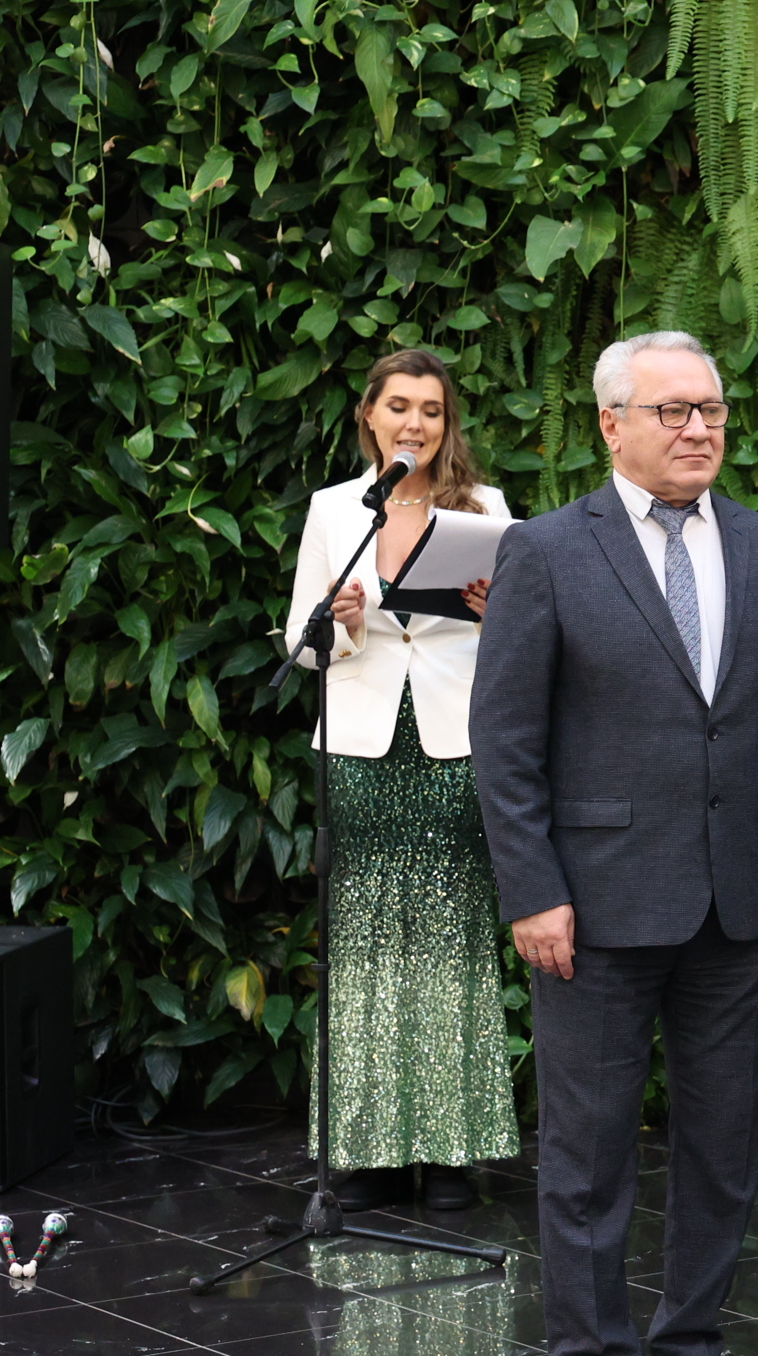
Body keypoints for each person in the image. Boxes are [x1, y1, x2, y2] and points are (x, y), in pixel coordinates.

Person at [470, 329, 758, 1356]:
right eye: (673, 411)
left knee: (723, 1142)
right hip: (593, 906)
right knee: (587, 1153)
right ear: (611, 425)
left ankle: (693, 1348)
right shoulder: (545, 550)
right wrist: (533, 890)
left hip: (738, 902)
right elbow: (506, 741)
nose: (697, 429)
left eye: (711, 410)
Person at [281, 347, 517, 1213]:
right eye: (400, 407)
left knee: (453, 942)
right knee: (365, 945)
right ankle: (369, 1154)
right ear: (369, 417)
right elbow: (301, 645)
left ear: (448, 425)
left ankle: (451, 1152)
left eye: (432, 410)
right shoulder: (334, 510)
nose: (416, 422)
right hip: (361, 749)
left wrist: (499, 614)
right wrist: (338, 624)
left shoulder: (486, 508)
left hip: (455, 744)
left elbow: (524, 642)